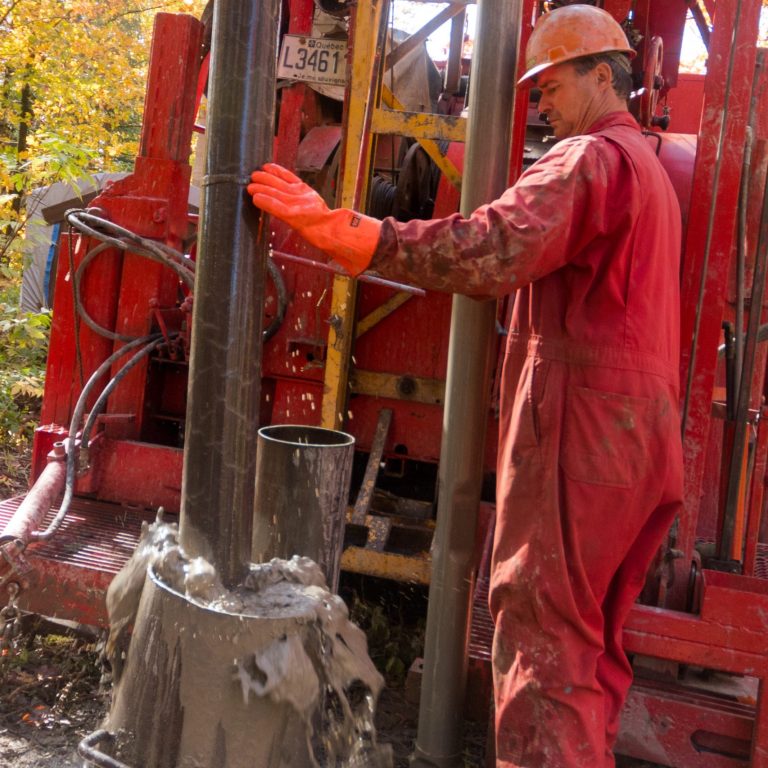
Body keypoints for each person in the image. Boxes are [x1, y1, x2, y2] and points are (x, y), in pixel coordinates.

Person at [247, 5, 684, 766]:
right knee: (591, 653)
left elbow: (493, 244)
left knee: (544, 643)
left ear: (602, 76)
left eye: (550, 85)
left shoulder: (590, 161)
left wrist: (356, 234)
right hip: (639, 440)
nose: (539, 103)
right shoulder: (650, 172)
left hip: (580, 435)